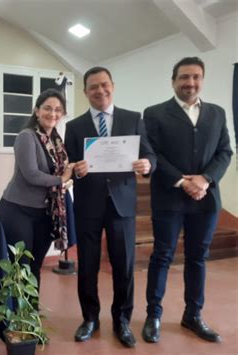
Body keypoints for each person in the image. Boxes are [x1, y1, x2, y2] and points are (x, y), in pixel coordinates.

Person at [141, 57, 232, 344]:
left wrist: (205, 180)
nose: (190, 83)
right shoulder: (154, 113)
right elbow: (153, 153)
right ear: (173, 81)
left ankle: (193, 315)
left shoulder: (217, 113)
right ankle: (153, 315)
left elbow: (225, 152)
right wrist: (183, 181)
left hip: (205, 199)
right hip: (169, 197)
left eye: (196, 77)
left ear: (202, 80)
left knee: (197, 259)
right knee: (162, 256)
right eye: (184, 77)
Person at [65, 66, 156, 348]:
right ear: (85, 92)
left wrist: (147, 164)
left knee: (124, 266)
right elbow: (67, 165)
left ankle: (122, 320)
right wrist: (75, 170)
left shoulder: (133, 118)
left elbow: (149, 152)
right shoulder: (74, 126)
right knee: (87, 266)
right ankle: (90, 318)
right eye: (93, 86)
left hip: (122, 204)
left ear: (112, 86)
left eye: (104, 85)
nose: (99, 91)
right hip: (88, 204)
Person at [0, 88, 74, 291]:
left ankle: (30, 318)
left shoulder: (56, 142)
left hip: (44, 212)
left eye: (58, 110)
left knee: (35, 266)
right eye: (47, 108)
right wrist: (62, 178)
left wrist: (68, 178)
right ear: (37, 111)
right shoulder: (27, 136)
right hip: (17, 209)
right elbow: (32, 175)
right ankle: (9, 319)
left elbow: (62, 172)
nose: (53, 113)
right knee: (20, 266)